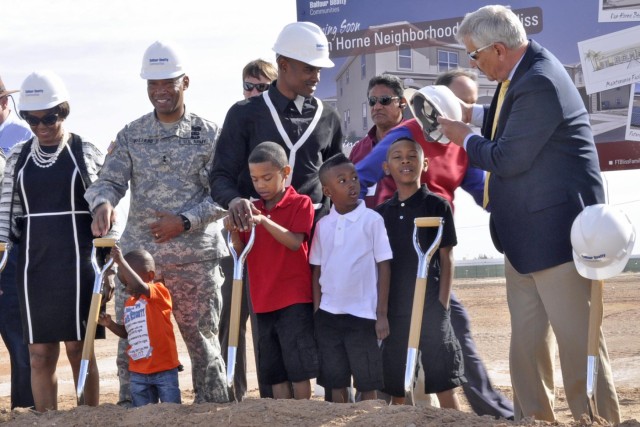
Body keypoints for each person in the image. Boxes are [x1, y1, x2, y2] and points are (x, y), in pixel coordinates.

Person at [437, 5, 620, 423]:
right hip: (524, 239)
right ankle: (534, 420)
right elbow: (507, 121)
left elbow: (509, 156)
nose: (472, 63)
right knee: (527, 346)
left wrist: (465, 137)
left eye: (473, 55)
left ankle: (598, 420)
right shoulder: (519, 74)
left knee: (579, 346)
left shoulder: (538, 80)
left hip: (557, 237)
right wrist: (473, 115)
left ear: (498, 49)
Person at [352, 72, 514, 419]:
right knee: (390, 331)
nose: (466, 108)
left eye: (470, 102)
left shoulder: (461, 146)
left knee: (451, 328)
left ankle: (493, 413)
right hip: (394, 253)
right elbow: (358, 177)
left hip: (435, 255)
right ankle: (382, 413)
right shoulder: (403, 137)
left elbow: (486, 193)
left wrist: (522, 201)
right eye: (461, 100)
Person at [85, 40, 230, 404]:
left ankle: (213, 411)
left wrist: (184, 221)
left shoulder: (209, 135)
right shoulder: (132, 134)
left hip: (195, 258)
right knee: (133, 341)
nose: (160, 91)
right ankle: (133, 410)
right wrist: (102, 203)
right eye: (153, 84)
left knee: (202, 340)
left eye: (168, 82)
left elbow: (225, 194)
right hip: (139, 261)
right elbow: (109, 180)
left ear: (185, 82)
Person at [210, 22, 343, 399]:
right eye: (308, 68)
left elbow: (337, 174)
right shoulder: (245, 113)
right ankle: (274, 408)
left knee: (321, 323)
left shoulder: (328, 116)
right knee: (268, 329)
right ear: (283, 64)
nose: (316, 76)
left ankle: (330, 403)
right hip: (262, 241)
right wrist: (235, 200)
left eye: (319, 69)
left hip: (314, 240)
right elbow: (220, 174)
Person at [0, 71, 109, 412]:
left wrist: (110, 271)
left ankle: (87, 418)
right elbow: (5, 219)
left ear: (64, 111)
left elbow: (105, 210)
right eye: (31, 119)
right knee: (39, 352)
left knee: (80, 348)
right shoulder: (17, 158)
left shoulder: (83, 150)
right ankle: (45, 419)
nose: (41, 125)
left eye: (49, 117)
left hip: (78, 264)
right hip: (34, 267)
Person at [375, 137, 465, 408]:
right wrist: (382, 313)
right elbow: (382, 266)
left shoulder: (437, 207)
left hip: (430, 306)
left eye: (412, 156)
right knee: (398, 390)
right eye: (398, 157)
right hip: (396, 311)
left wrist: (443, 304)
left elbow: (446, 258)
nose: (405, 161)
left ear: (424, 164)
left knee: (444, 384)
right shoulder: (381, 214)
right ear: (386, 167)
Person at [225, 141, 318, 399]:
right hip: (262, 301)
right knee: (274, 371)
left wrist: (264, 220)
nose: (261, 185)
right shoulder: (251, 209)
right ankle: (281, 418)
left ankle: (302, 416)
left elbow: (295, 241)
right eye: (255, 179)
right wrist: (233, 230)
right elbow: (240, 252)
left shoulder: (301, 203)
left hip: (294, 299)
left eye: (267, 178)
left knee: (298, 369)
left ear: (285, 173)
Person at [310, 153, 392, 403]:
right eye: (342, 180)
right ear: (327, 190)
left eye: (354, 178)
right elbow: (316, 270)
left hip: (364, 316)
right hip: (328, 317)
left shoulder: (372, 220)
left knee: (367, 381)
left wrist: (381, 314)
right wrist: (317, 311)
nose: (352, 184)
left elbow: (385, 266)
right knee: (335, 383)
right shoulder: (323, 225)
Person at [218, 58, 278, 401]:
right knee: (231, 315)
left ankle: (271, 397)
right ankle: (233, 395)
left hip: (274, 229)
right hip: (237, 232)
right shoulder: (236, 117)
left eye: (263, 87)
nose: (254, 93)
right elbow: (221, 175)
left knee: (266, 320)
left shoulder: (280, 122)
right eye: (249, 86)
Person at [98, 246, 181, 408]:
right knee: (142, 414)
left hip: (164, 369)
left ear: (150, 275)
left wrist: (120, 261)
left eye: (130, 282)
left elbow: (141, 286)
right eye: (124, 284)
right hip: (138, 372)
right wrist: (110, 324)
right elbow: (127, 333)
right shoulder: (130, 303)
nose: (128, 288)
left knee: (171, 411)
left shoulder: (159, 293)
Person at [0, 75, 34, 409]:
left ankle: (23, 411)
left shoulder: (25, 136)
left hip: (11, 254)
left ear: (4, 103)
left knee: (19, 339)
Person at [349, 74, 407, 209]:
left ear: (402, 102)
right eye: (372, 101)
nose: (377, 106)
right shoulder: (358, 150)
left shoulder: (417, 141)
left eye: (385, 100)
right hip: (365, 228)